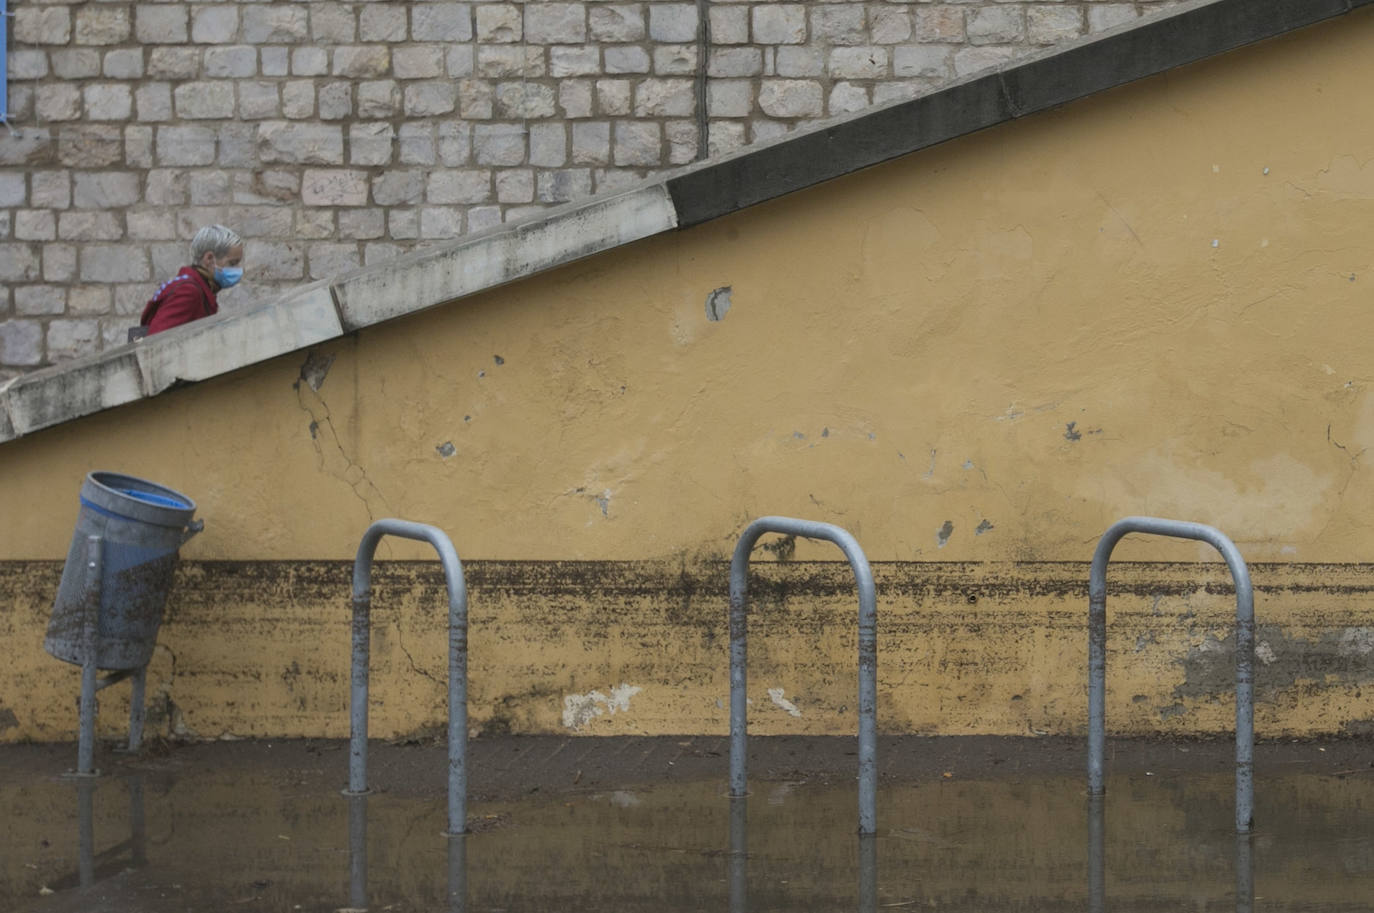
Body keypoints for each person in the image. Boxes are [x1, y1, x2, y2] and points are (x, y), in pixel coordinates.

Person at [138, 225, 245, 337]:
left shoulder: (201, 288)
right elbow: (156, 342)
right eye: (232, 263)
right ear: (209, 258)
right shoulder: (189, 291)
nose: (237, 269)